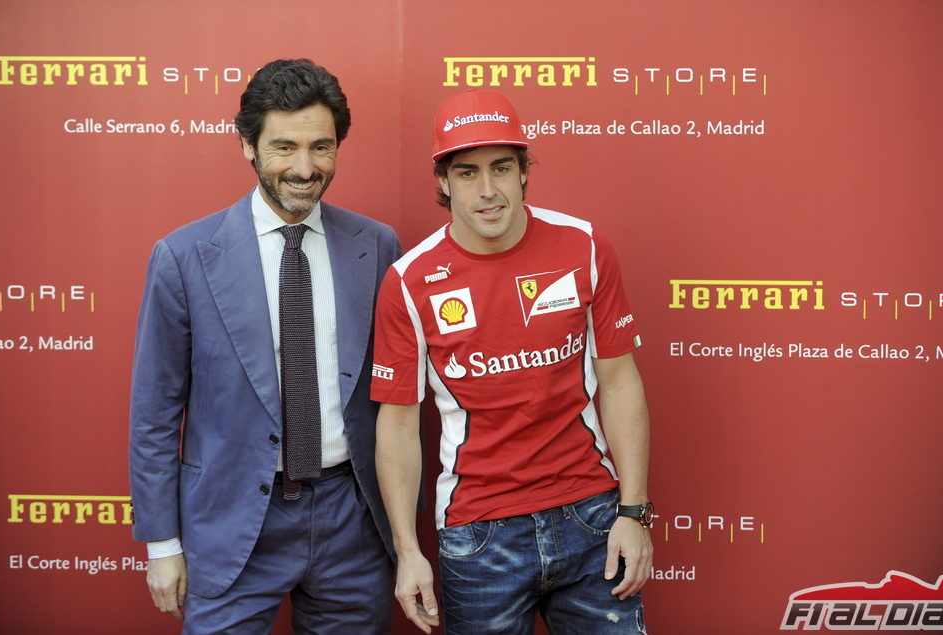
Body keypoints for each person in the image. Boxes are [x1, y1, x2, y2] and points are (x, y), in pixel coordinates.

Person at [128, 58, 401, 633]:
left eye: (321, 147)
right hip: (231, 523)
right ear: (248, 146)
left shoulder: (376, 246)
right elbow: (155, 413)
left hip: (351, 521)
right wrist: (161, 543)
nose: (305, 168)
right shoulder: (183, 257)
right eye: (284, 147)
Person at [372, 88, 654, 634]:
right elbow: (399, 424)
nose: (487, 190)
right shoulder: (409, 280)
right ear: (442, 182)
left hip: (591, 516)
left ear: (524, 171)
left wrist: (634, 511)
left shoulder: (584, 246)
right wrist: (408, 551)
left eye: (502, 167)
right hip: (480, 537)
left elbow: (619, 383)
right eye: (466, 172)